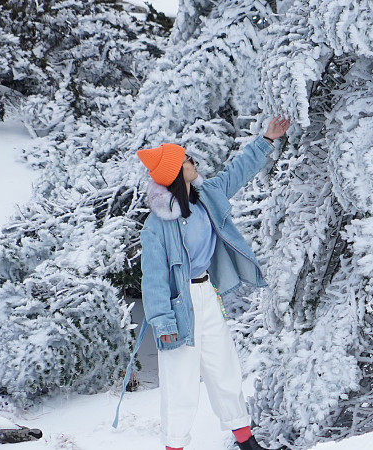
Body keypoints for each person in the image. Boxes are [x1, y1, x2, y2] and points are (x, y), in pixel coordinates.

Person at [112, 115, 291, 450]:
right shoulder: (157, 226)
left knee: (224, 369)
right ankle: (175, 446)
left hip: (207, 294)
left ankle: (246, 443)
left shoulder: (206, 195)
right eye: (187, 160)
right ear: (176, 172)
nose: (194, 163)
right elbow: (152, 278)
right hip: (179, 307)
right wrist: (162, 320)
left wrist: (266, 140)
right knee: (181, 384)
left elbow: (237, 172)